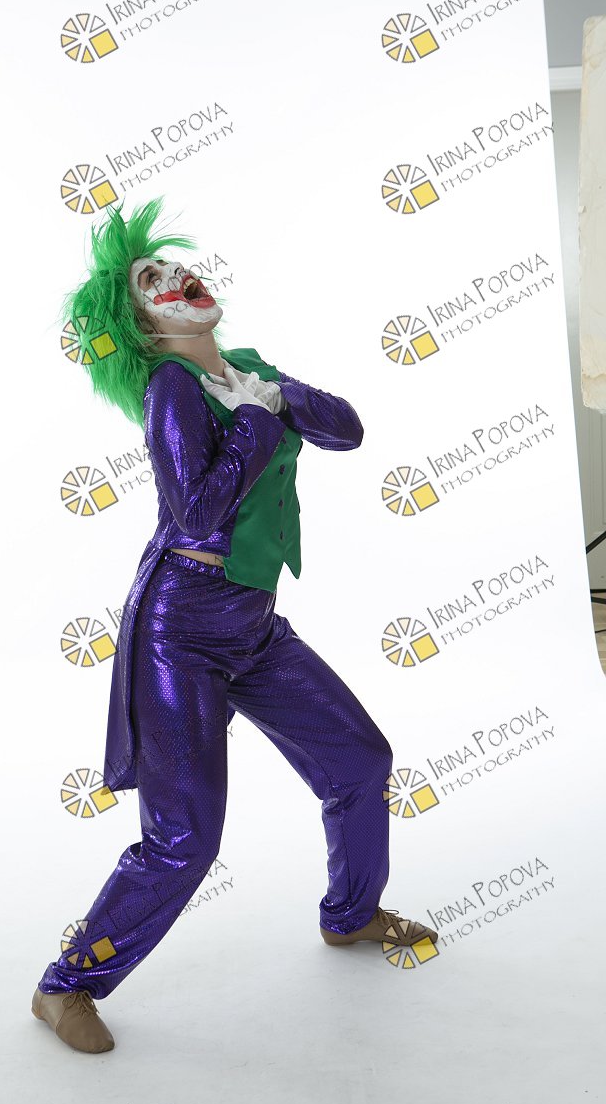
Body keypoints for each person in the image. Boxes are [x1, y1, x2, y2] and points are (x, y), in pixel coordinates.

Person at [32, 197, 437, 1055]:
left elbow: (348, 431)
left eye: (173, 264)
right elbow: (199, 511)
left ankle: (350, 913)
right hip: (179, 632)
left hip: (253, 624)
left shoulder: (245, 367)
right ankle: (67, 984)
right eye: (151, 279)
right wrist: (255, 420)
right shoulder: (169, 390)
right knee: (185, 841)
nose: (176, 276)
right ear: (141, 326)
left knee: (360, 761)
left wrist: (275, 393)